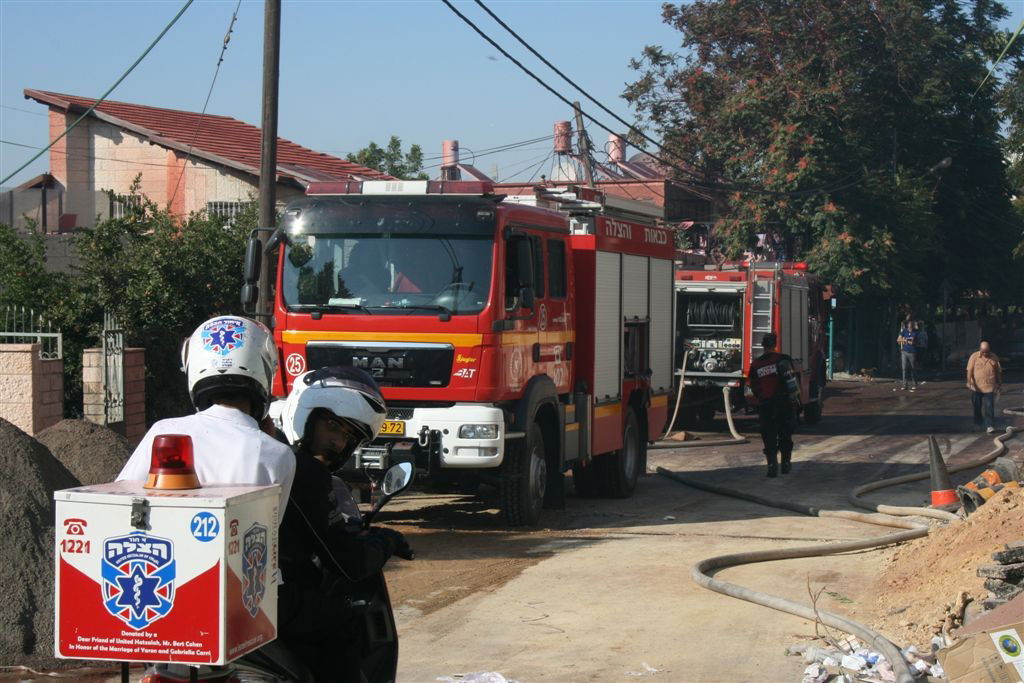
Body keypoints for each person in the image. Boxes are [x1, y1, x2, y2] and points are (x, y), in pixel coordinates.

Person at [277, 366, 411, 682]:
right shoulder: (303, 471)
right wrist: (386, 541)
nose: (338, 442)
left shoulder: (277, 456)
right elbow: (347, 562)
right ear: (305, 416)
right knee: (345, 619)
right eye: (333, 426)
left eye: (349, 436)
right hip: (279, 602)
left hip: (248, 596)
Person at [117, 316, 295, 517]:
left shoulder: (164, 432)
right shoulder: (280, 455)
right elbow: (270, 529)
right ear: (265, 369)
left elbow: (120, 504)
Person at [748, 333, 798, 478]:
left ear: (763, 346)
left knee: (768, 435)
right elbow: (792, 382)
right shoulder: (783, 360)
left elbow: (753, 386)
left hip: (766, 405)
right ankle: (786, 464)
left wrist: (760, 399)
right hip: (783, 404)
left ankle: (771, 466)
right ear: (775, 344)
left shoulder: (756, 364)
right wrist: (795, 401)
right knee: (785, 433)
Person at [967, 341, 1003, 434]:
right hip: (976, 387)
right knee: (977, 406)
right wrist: (969, 381)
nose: (985, 353)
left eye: (987, 351)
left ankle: (990, 425)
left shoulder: (994, 357)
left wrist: (999, 383)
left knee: (989, 406)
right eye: (983, 351)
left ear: (989, 350)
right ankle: (978, 424)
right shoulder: (974, 357)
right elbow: (969, 370)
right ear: (980, 350)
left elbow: (998, 372)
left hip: (989, 387)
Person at [895, 321, 918, 391]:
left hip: (912, 352)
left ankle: (914, 383)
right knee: (904, 368)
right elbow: (898, 340)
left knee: (912, 368)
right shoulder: (904, 331)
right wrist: (906, 339)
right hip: (904, 352)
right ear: (907, 326)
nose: (910, 327)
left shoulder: (915, 333)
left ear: (913, 326)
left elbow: (912, 342)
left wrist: (904, 339)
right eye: (909, 326)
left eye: (911, 326)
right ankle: (905, 385)